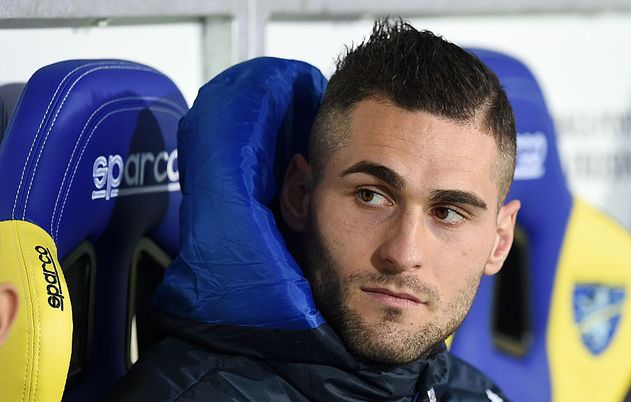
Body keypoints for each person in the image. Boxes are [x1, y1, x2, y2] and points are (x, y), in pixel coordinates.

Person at [111, 18, 519, 401]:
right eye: (370, 196)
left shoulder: (471, 392)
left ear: (499, 241)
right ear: (299, 195)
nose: (403, 253)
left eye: (447, 213)